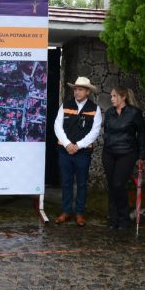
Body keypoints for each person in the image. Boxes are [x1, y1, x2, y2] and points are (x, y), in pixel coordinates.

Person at [54, 76, 102, 227]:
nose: (77, 92)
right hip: (64, 151)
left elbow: (95, 132)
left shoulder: (95, 109)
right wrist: (68, 144)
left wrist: (78, 146)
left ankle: (79, 213)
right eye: (75, 89)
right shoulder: (65, 105)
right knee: (66, 182)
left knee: (81, 184)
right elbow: (57, 126)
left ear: (87, 92)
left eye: (80, 89)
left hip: (83, 153)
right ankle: (66, 211)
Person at [102, 86, 145, 231]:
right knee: (111, 186)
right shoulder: (109, 112)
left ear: (123, 97)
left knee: (118, 184)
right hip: (109, 153)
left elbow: (142, 134)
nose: (111, 99)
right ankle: (113, 219)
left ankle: (124, 219)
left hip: (127, 153)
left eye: (114, 96)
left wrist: (141, 155)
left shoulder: (134, 113)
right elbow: (106, 131)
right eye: (111, 96)